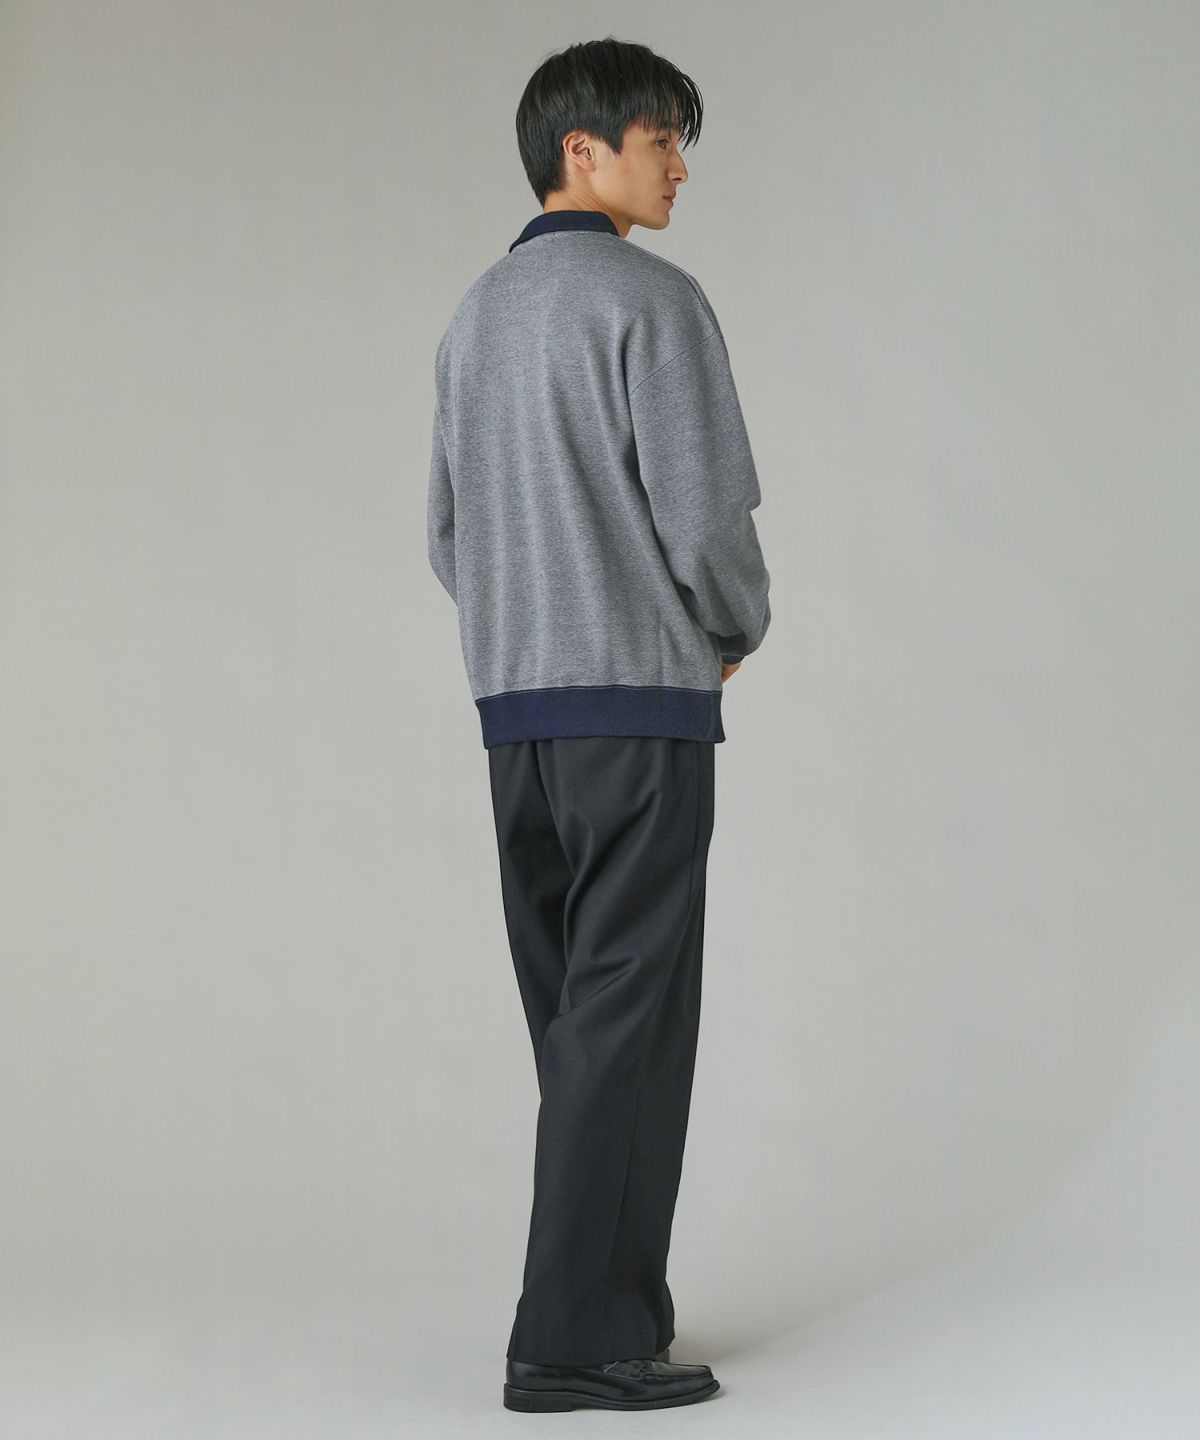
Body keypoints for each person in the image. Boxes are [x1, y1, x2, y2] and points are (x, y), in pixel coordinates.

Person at [426, 35, 771, 1413]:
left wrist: (522, 636)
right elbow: (707, 516)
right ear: (584, 149)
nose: (679, 166)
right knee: (629, 1022)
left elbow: (446, 534)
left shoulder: (475, 316)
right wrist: (727, 630)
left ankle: (611, 1307)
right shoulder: (652, 300)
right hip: (638, 708)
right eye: (659, 138)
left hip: (516, 717)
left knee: (578, 1024)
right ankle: (573, 1340)